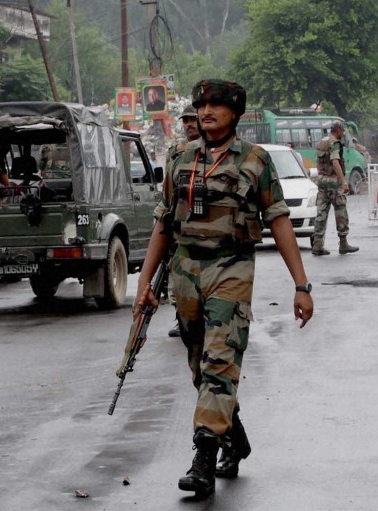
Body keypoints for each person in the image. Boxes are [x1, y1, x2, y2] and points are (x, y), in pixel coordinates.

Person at [135, 79, 313, 499]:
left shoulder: (254, 160)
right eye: (201, 105)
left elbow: (278, 219)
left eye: (216, 105)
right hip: (185, 270)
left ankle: (203, 458)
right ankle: (235, 437)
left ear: (235, 113)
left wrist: (301, 285)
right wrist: (144, 283)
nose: (206, 111)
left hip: (231, 267)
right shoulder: (180, 157)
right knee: (201, 366)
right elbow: (164, 222)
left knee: (220, 360)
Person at [165, 105, 202, 338]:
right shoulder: (175, 152)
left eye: (192, 120)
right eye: (185, 121)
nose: (188, 125)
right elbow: (167, 193)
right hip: (180, 222)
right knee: (177, 277)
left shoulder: (213, 149)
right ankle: (182, 318)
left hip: (206, 224)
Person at [311, 120, 358, 255]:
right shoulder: (335, 143)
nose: (343, 134)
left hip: (322, 181)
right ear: (337, 130)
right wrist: (343, 182)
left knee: (321, 213)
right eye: (342, 131)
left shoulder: (322, 142)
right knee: (340, 212)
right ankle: (343, 243)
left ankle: (317, 245)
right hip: (333, 182)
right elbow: (335, 162)